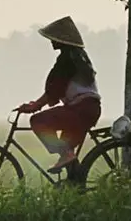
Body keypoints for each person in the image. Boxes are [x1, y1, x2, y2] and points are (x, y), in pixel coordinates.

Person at [16, 16, 101, 173]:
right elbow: (55, 89)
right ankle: (75, 185)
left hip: (80, 110)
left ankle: (67, 155)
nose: (51, 41)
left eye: (54, 38)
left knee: (38, 121)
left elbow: (55, 89)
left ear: (62, 40)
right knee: (66, 151)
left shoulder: (68, 60)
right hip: (88, 109)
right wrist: (36, 104)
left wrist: (35, 106)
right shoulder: (78, 57)